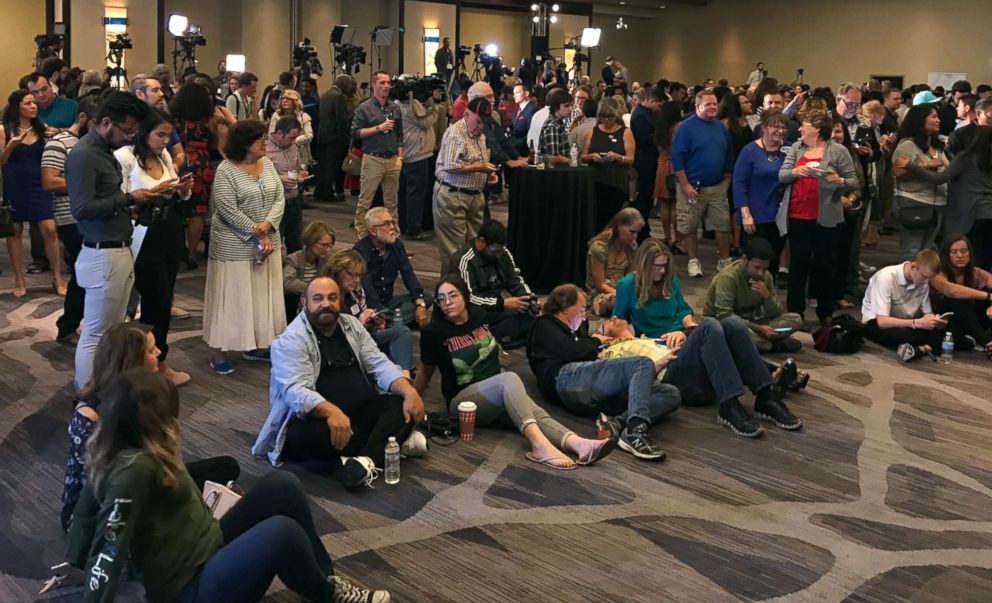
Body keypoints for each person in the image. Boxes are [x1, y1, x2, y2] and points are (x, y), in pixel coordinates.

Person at [67, 369, 388, 602]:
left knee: (283, 485)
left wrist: (73, 557)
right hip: (190, 588)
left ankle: (323, 580)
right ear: (155, 417)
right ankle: (326, 594)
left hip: (209, 545)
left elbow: (83, 520)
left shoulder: (133, 450)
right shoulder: (133, 470)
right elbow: (107, 552)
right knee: (281, 533)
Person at [417, 276, 614, 469]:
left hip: (495, 388)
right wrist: (412, 398)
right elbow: (426, 372)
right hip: (463, 402)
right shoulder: (433, 333)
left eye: (453, 295)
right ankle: (540, 447)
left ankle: (578, 444)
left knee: (533, 411)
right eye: (441, 299)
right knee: (509, 379)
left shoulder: (478, 314)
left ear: (465, 296)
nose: (447, 303)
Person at [60, 322, 239, 531]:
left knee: (227, 466)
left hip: (143, 481)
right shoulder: (89, 415)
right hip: (100, 510)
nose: (160, 353)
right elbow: (99, 488)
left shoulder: (146, 394)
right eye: (152, 350)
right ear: (133, 360)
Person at [613, 239, 802, 437]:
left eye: (665, 265)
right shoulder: (627, 285)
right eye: (657, 266)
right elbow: (619, 328)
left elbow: (684, 309)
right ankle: (729, 403)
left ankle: (765, 395)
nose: (662, 271)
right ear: (644, 264)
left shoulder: (669, 280)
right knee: (712, 324)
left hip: (684, 342)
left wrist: (686, 328)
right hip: (665, 358)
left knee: (733, 325)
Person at [253, 276, 426, 489]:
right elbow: (296, 392)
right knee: (311, 436)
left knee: (400, 403)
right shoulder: (289, 341)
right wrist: (331, 412)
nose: (326, 303)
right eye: (318, 298)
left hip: (358, 414)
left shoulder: (351, 325)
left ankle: (364, 460)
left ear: (340, 301)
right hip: (317, 421)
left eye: (332, 298)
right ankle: (387, 442)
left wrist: (409, 391)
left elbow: (379, 364)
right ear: (305, 304)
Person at [66, 92, 158, 391]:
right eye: (127, 130)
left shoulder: (103, 151)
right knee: (95, 333)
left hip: (116, 248)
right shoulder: (83, 154)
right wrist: (129, 198)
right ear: (106, 122)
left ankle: (101, 391)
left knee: (112, 331)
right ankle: (85, 395)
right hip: (102, 253)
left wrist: (128, 204)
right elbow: (80, 209)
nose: (131, 137)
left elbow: (104, 201)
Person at [527, 283, 678, 460]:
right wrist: (595, 340)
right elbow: (570, 350)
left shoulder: (576, 330)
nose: (585, 315)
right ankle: (635, 431)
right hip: (565, 378)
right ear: (565, 308)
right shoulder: (545, 324)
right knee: (643, 363)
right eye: (582, 309)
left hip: (588, 388)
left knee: (670, 393)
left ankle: (616, 422)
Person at [115, 109, 193, 386]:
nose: (165, 140)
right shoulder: (126, 157)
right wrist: (153, 193)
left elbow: (176, 193)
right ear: (143, 133)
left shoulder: (165, 156)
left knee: (164, 297)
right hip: (143, 233)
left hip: (169, 228)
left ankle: (156, 357)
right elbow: (120, 198)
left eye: (168, 135)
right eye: (159, 135)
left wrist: (183, 188)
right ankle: (152, 360)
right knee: (156, 299)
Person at [204, 120, 286, 375]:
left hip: (268, 241)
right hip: (234, 245)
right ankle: (219, 354)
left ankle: (256, 345)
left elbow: (279, 197)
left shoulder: (269, 164)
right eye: (259, 139)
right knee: (233, 298)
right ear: (244, 143)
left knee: (261, 296)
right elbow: (227, 208)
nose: (265, 142)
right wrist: (255, 232)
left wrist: (269, 224)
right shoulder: (226, 170)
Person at [776, 110, 857, 325]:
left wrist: (839, 180)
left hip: (827, 217)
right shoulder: (796, 148)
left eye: (804, 125)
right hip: (798, 215)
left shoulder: (838, 151)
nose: (800, 128)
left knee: (825, 265)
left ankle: (826, 311)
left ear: (818, 128)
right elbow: (782, 175)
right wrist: (797, 172)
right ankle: (795, 312)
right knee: (798, 264)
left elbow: (853, 181)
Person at [42, 95, 103, 341]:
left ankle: (76, 324)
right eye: (98, 122)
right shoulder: (59, 143)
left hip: (94, 213)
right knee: (84, 272)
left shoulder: (96, 145)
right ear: (83, 118)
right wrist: (86, 184)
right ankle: (68, 325)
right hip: (70, 216)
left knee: (88, 272)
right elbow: (49, 180)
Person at [1, 89, 65, 297]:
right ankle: (19, 278)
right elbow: (1, 161)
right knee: (16, 230)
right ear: (17, 106)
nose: (33, 106)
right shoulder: (5, 129)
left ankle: (57, 276)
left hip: (39, 182)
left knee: (49, 227)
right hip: (15, 182)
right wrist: (10, 146)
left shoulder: (42, 129)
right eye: (28, 103)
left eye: (34, 103)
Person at [171, 82, 235, 270]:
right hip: (202, 165)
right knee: (197, 213)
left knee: (176, 210)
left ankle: (178, 249)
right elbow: (214, 145)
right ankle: (192, 253)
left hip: (179, 162)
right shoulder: (210, 120)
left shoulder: (173, 120)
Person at [671, 90, 735, 277]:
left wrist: (727, 178)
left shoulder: (721, 127)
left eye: (715, 103)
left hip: (717, 186)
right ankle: (693, 261)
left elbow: (729, 153)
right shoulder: (686, 128)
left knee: (722, 225)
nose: (713, 107)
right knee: (690, 226)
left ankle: (724, 260)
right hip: (691, 187)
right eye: (708, 104)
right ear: (698, 106)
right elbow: (677, 157)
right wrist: (685, 185)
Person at [702, 237, 803, 352]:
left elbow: (776, 313)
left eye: (765, 269)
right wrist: (758, 328)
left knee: (795, 319)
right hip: (725, 326)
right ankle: (771, 344)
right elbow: (724, 316)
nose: (761, 273)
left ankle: (763, 343)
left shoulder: (766, 277)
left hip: (752, 323)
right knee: (763, 344)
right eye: (757, 267)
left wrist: (767, 297)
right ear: (745, 260)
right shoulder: (729, 277)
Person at [434, 97, 497, 276]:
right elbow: (451, 166)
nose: (480, 126)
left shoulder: (481, 135)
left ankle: (469, 287)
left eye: (483, 123)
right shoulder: (455, 133)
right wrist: (481, 168)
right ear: (466, 114)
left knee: (474, 245)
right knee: (453, 250)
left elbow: (480, 160)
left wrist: (488, 173)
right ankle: (451, 291)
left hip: (474, 196)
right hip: (452, 195)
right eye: (478, 121)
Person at [324, 249, 414, 375]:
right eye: (352, 275)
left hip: (362, 338)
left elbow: (362, 319)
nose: (357, 280)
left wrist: (372, 323)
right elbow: (331, 336)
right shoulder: (324, 296)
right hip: (340, 348)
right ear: (337, 272)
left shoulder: (355, 290)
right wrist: (359, 324)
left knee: (401, 331)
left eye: (359, 275)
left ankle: (405, 376)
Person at [453, 219, 535, 349]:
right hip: (474, 311)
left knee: (531, 314)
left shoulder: (503, 253)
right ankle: (489, 337)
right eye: (493, 251)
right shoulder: (464, 260)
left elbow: (515, 280)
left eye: (500, 251)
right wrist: (503, 303)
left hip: (497, 308)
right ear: (481, 241)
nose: (497, 255)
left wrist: (529, 298)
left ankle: (493, 337)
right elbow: (468, 299)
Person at [862, 249, 948, 361]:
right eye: (924, 277)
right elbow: (882, 322)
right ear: (913, 267)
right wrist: (917, 323)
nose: (926, 282)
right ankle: (928, 346)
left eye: (929, 278)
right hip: (878, 324)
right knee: (910, 335)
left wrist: (933, 321)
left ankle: (923, 348)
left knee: (947, 329)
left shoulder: (923, 282)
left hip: (907, 323)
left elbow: (927, 313)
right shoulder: (886, 277)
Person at [354, 207, 431, 327]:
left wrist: (420, 303)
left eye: (392, 222)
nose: (392, 227)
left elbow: (408, 274)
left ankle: (392, 322)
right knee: (374, 315)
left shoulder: (397, 245)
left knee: (426, 297)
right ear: (373, 231)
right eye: (386, 224)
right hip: (370, 305)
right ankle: (395, 320)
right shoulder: (361, 250)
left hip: (389, 302)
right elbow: (366, 286)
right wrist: (380, 312)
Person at [734, 110, 788, 274]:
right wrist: (745, 214)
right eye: (774, 126)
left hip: (779, 216)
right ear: (763, 128)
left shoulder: (790, 149)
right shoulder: (749, 151)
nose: (780, 130)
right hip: (755, 216)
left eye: (783, 127)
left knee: (772, 260)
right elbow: (739, 184)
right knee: (755, 262)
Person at [352, 71, 404, 237]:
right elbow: (356, 133)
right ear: (373, 85)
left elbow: (400, 134)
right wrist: (378, 128)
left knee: (392, 202)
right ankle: (361, 236)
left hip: (392, 159)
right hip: (373, 158)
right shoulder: (364, 108)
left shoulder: (394, 107)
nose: (386, 86)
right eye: (382, 83)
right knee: (365, 201)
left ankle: (392, 236)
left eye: (388, 83)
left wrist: (400, 156)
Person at [892, 104, 948, 259]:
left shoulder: (938, 146)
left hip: (937, 204)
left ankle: (921, 283)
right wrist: (927, 165)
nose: (938, 120)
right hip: (914, 201)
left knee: (927, 252)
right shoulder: (908, 144)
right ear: (920, 120)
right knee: (912, 251)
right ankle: (906, 283)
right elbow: (898, 172)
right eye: (933, 116)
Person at [930, 234, 992, 358]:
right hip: (944, 322)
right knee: (957, 300)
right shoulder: (937, 272)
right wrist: (989, 296)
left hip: (970, 321)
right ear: (946, 255)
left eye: (964, 251)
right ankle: (987, 342)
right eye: (954, 252)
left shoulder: (975, 272)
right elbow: (951, 291)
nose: (960, 256)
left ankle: (979, 339)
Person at [581, 97, 635, 228]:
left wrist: (618, 157)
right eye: (603, 117)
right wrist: (591, 156)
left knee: (614, 220)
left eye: (610, 117)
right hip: (596, 181)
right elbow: (583, 156)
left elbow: (631, 159)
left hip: (616, 182)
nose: (606, 121)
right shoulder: (592, 132)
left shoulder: (626, 132)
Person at [397, 84, 438, 239]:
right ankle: (414, 229)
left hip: (405, 153)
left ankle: (404, 224)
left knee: (404, 193)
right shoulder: (412, 105)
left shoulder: (396, 104)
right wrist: (432, 103)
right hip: (417, 155)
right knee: (416, 193)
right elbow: (426, 121)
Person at [586, 208, 643, 316]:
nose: (635, 236)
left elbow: (631, 277)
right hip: (601, 294)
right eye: (632, 231)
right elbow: (600, 285)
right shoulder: (599, 247)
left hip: (623, 289)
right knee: (617, 301)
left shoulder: (632, 247)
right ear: (619, 226)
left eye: (637, 232)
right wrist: (622, 294)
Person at [265, 116, 307, 254]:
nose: (293, 141)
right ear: (279, 134)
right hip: (274, 203)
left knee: (296, 242)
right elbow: (256, 176)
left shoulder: (293, 147)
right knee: (274, 242)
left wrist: (301, 173)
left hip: (294, 200)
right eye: (290, 138)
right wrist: (279, 178)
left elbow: (297, 167)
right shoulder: (264, 149)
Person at [631, 86, 666, 242]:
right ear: (651, 100)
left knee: (647, 198)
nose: (660, 109)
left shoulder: (647, 114)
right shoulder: (640, 116)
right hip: (644, 161)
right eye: (659, 105)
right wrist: (660, 135)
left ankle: (644, 229)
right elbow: (643, 139)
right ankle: (640, 231)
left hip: (648, 160)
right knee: (644, 198)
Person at [314, 74, 356, 202]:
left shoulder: (325, 94)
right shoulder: (338, 97)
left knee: (324, 166)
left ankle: (320, 190)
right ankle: (328, 193)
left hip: (323, 135)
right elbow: (341, 120)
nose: (349, 87)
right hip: (334, 137)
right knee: (332, 167)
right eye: (348, 84)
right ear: (342, 83)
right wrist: (345, 137)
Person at [283, 221, 335, 321]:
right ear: (311, 242)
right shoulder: (294, 259)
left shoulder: (327, 260)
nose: (328, 249)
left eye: (330, 246)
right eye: (324, 245)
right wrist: (314, 289)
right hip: (295, 304)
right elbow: (287, 282)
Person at [538, 88, 574, 164]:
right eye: (566, 106)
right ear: (556, 107)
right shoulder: (552, 126)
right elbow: (554, 156)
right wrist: (572, 161)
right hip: (555, 171)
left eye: (571, 105)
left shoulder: (558, 122)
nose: (570, 109)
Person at [509, 83, 537, 155]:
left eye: (517, 93)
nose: (514, 96)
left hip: (524, 151)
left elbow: (530, 134)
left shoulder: (532, 110)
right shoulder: (517, 109)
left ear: (526, 93)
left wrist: (513, 146)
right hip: (514, 148)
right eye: (514, 93)